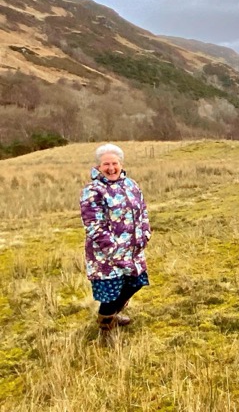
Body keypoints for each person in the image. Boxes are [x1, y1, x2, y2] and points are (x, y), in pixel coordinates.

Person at [80, 143, 151, 334]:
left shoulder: (131, 185)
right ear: (98, 167)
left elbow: (143, 211)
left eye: (114, 163)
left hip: (133, 251)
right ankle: (106, 330)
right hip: (106, 256)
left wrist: (145, 233)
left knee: (135, 283)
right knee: (109, 294)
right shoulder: (93, 191)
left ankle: (113, 315)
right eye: (106, 164)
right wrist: (112, 249)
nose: (111, 168)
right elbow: (93, 225)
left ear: (121, 164)